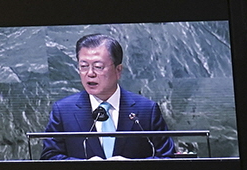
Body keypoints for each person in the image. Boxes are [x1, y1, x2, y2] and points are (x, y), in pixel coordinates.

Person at [41, 34, 176, 160]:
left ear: (118, 70)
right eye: (83, 66)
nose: (90, 73)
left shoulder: (147, 110)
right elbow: (49, 157)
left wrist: (132, 166)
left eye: (98, 67)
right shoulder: (64, 110)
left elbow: (167, 157)